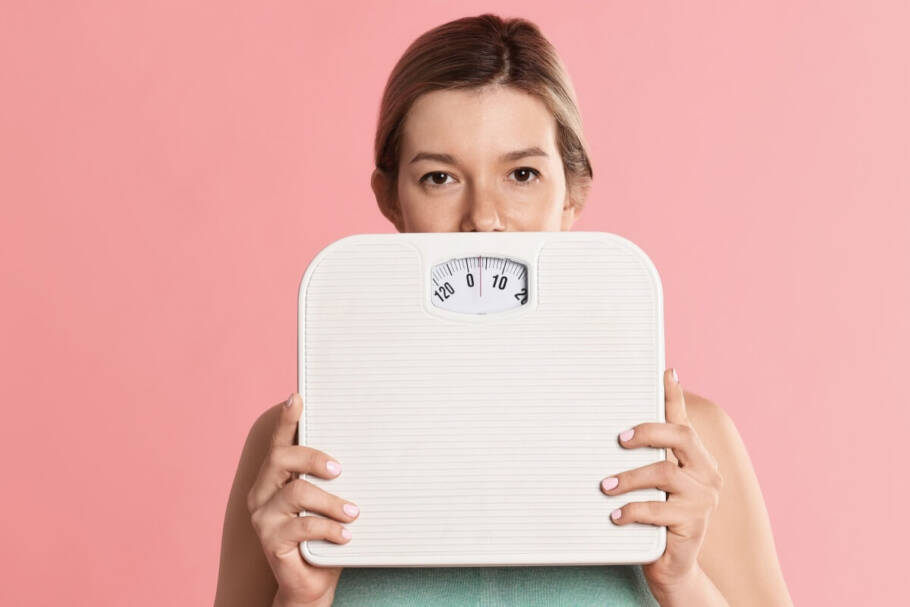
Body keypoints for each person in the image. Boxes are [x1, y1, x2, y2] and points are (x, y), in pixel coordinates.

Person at [215, 13, 793, 607]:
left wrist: (681, 581)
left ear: (572, 195)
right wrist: (301, 599)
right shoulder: (297, 453)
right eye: (439, 177)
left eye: (521, 174)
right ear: (390, 199)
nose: (483, 219)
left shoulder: (687, 446)